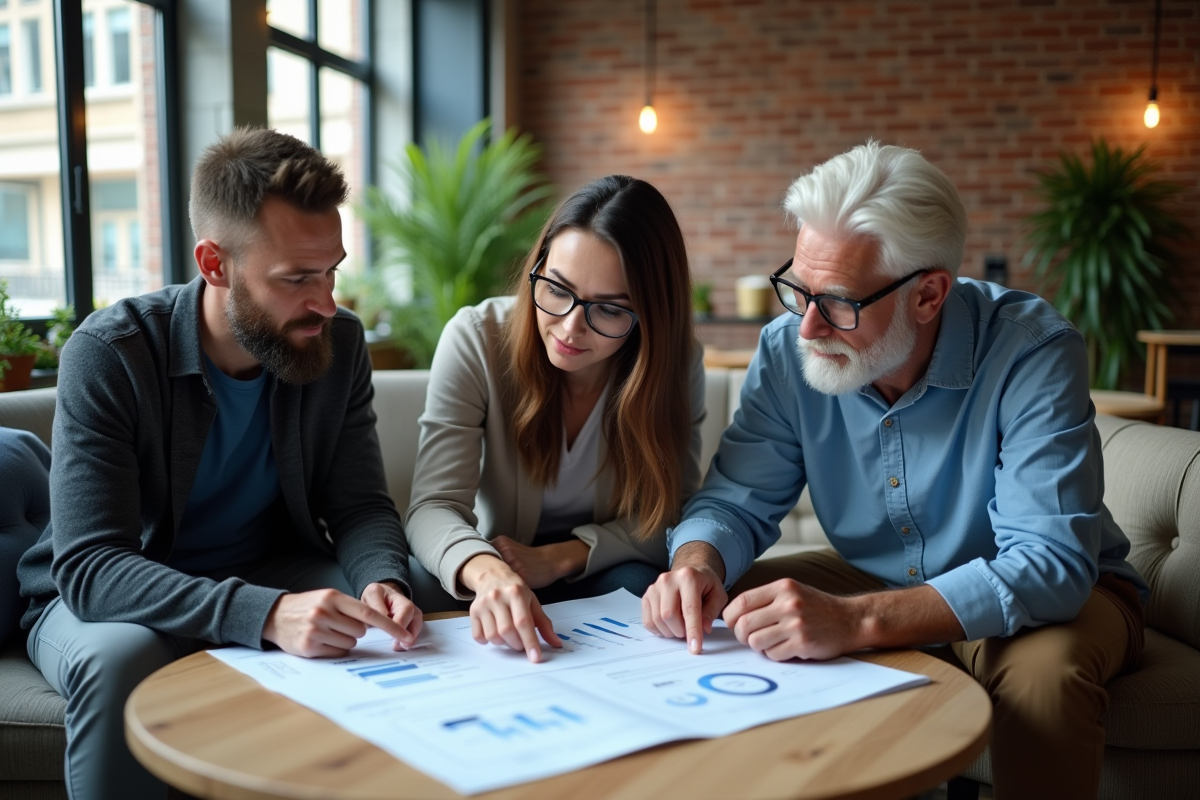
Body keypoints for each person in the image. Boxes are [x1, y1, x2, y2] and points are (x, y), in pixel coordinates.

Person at [641, 142, 1147, 799]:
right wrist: (698, 565)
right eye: (798, 289)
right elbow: (737, 498)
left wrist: (856, 622)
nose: (807, 328)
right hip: (873, 573)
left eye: (840, 303)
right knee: (718, 615)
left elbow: (1048, 564)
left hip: (1060, 598)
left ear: (929, 295)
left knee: (1043, 683)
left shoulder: (1033, 350)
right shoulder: (785, 348)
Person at [17, 127, 422, 800]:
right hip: (110, 596)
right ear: (214, 264)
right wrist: (267, 615)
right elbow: (92, 567)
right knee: (122, 663)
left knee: (417, 607)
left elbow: (359, 505)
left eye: (332, 271)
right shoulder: (112, 353)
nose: (325, 301)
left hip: (266, 564)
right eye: (296, 279)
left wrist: (384, 578)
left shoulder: (337, 343)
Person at [406, 175, 705, 663]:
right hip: (499, 558)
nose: (569, 327)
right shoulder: (477, 338)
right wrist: (490, 573)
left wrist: (560, 557)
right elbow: (433, 507)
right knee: (420, 588)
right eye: (557, 288)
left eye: (609, 309)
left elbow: (668, 514)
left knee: (640, 590)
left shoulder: (674, 364)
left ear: (651, 316)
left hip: (599, 567)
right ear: (538, 267)